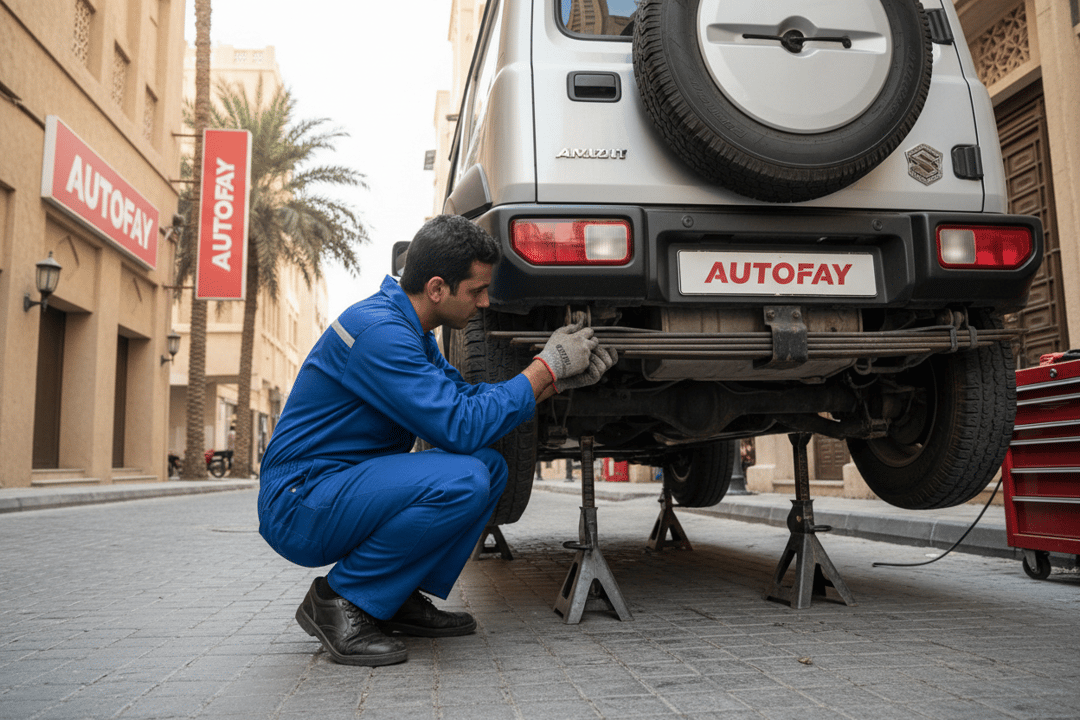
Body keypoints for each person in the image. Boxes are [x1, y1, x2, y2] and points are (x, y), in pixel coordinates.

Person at [257, 215, 617, 666]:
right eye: (476, 290)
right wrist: (544, 367)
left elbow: (467, 402)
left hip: (335, 486)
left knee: (489, 467)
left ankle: (392, 596)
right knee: (464, 478)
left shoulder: (412, 332)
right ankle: (339, 601)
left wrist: (556, 381)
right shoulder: (380, 333)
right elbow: (459, 427)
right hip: (300, 501)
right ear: (436, 289)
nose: (485, 302)